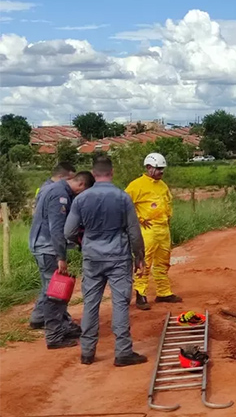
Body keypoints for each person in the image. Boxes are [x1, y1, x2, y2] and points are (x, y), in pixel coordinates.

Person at [64, 156, 147, 367]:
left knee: (91, 303)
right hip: (118, 257)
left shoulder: (81, 199)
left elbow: (69, 231)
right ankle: (122, 352)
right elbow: (134, 231)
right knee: (120, 303)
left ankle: (87, 352)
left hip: (92, 257)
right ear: (112, 172)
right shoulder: (122, 197)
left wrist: (83, 242)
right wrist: (139, 257)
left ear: (93, 174)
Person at [28, 171, 95, 347]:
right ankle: (54, 336)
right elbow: (56, 229)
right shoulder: (61, 195)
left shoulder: (56, 188)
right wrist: (61, 256)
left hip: (44, 246)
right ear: (81, 186)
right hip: (48, 248)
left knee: (51, 289)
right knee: (56, 293)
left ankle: (60, 325)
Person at [125, 152, 182, 310]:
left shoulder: (162, 185)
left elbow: (168, 204)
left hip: (163, 229)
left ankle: (164, 292)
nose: (161, 172)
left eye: (162, 169)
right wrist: (138, 219)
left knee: (163, 263)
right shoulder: (136, 185)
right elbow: (124, 205)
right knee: (144, 261)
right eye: (158, 169)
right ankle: (141, 294)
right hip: (147, 231)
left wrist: (168, 222)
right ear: (149, 168)